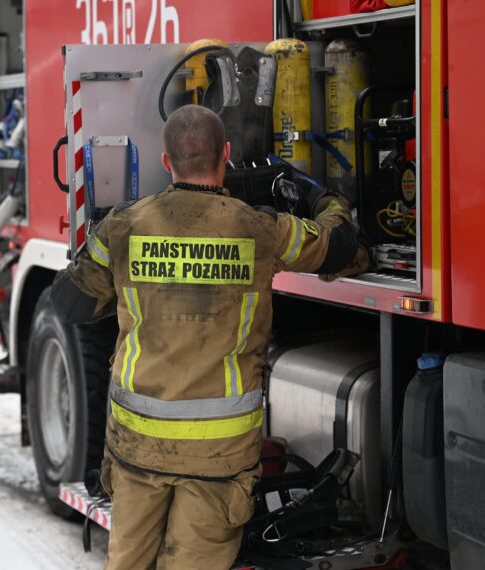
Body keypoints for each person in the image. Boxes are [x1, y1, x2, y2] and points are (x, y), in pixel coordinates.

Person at [49, 105, 369, 569]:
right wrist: (320, 197)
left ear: (165, 161)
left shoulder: (124, 225)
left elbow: (69, 304)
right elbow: (340, 247)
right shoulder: (259, 229)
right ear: (225, 154)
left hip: (138, 449)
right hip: (218, 458)